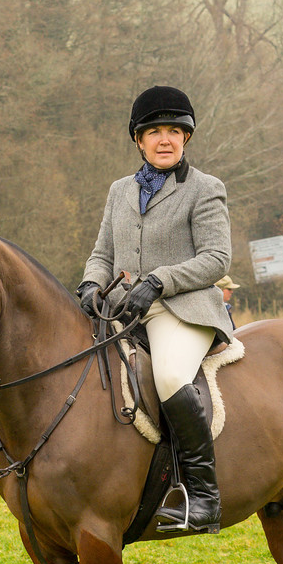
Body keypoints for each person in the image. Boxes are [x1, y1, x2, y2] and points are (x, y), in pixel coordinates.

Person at [77, 85, 233, 533]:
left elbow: (216, 258)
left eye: (173, 131)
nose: (165, 139)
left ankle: (204, 496)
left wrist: (160, 280)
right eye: (155, 132)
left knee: (168, 376)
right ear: (139, 140)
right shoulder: (120, 191)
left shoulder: (205, 188)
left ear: (185, 138)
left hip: (183, 310)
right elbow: (103, 252)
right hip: (124, 311)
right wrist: (90, 283)